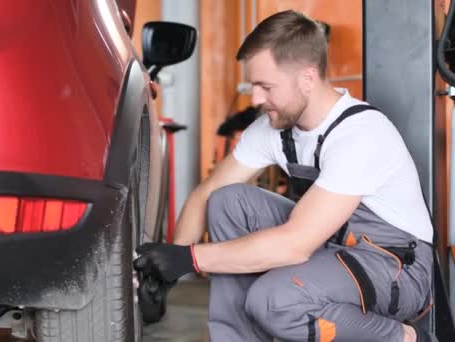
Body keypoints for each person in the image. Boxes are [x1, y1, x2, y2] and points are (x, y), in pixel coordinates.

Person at [134, 10, 435, 342]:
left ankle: (403, 337)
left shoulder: (360, 134)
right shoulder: (275, 128)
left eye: (266, 86)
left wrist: (191, 258)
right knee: (228, 201)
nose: (256, 99)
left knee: (275, 301)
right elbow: (207, 192)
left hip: (395, 265)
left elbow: (296, 244)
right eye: (253, 86)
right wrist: (168, 274)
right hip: (333, 246)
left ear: (307, 78)